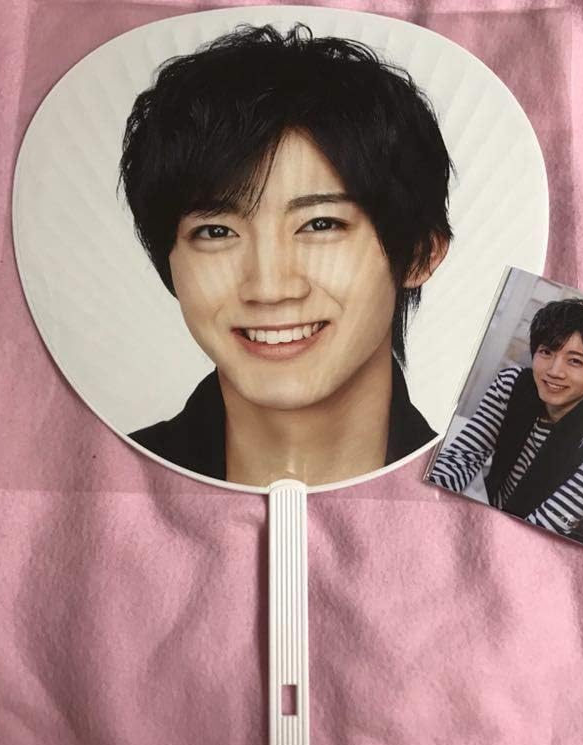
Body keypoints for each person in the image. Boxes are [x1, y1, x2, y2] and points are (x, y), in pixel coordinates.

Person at [119, 24, 453, 486]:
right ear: (170, 263)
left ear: (418, 253)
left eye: (320, 224)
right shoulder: (91, 488)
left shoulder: (484, 506)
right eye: (216, 231)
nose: (269, 288)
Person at [429, 298, 583, 546]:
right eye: (546, 352)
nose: (554, 371)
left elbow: (543, 528)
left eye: (575, 361)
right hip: (487, 510)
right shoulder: (511, 384)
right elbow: (464, 457)